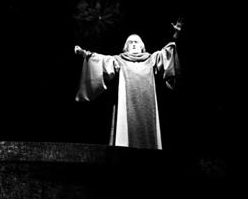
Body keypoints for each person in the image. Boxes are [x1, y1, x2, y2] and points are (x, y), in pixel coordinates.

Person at [74, 19, 182, 150]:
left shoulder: (151, 59)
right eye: (130, 42)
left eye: (136, 42)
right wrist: (85, 53)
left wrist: (176, 35)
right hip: (126, 106)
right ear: (126, 47)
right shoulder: (119, 60)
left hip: (148, 106)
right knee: (125, 140)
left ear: (142, 47)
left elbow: (167, 54)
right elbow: (101, 61)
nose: (134, 44)